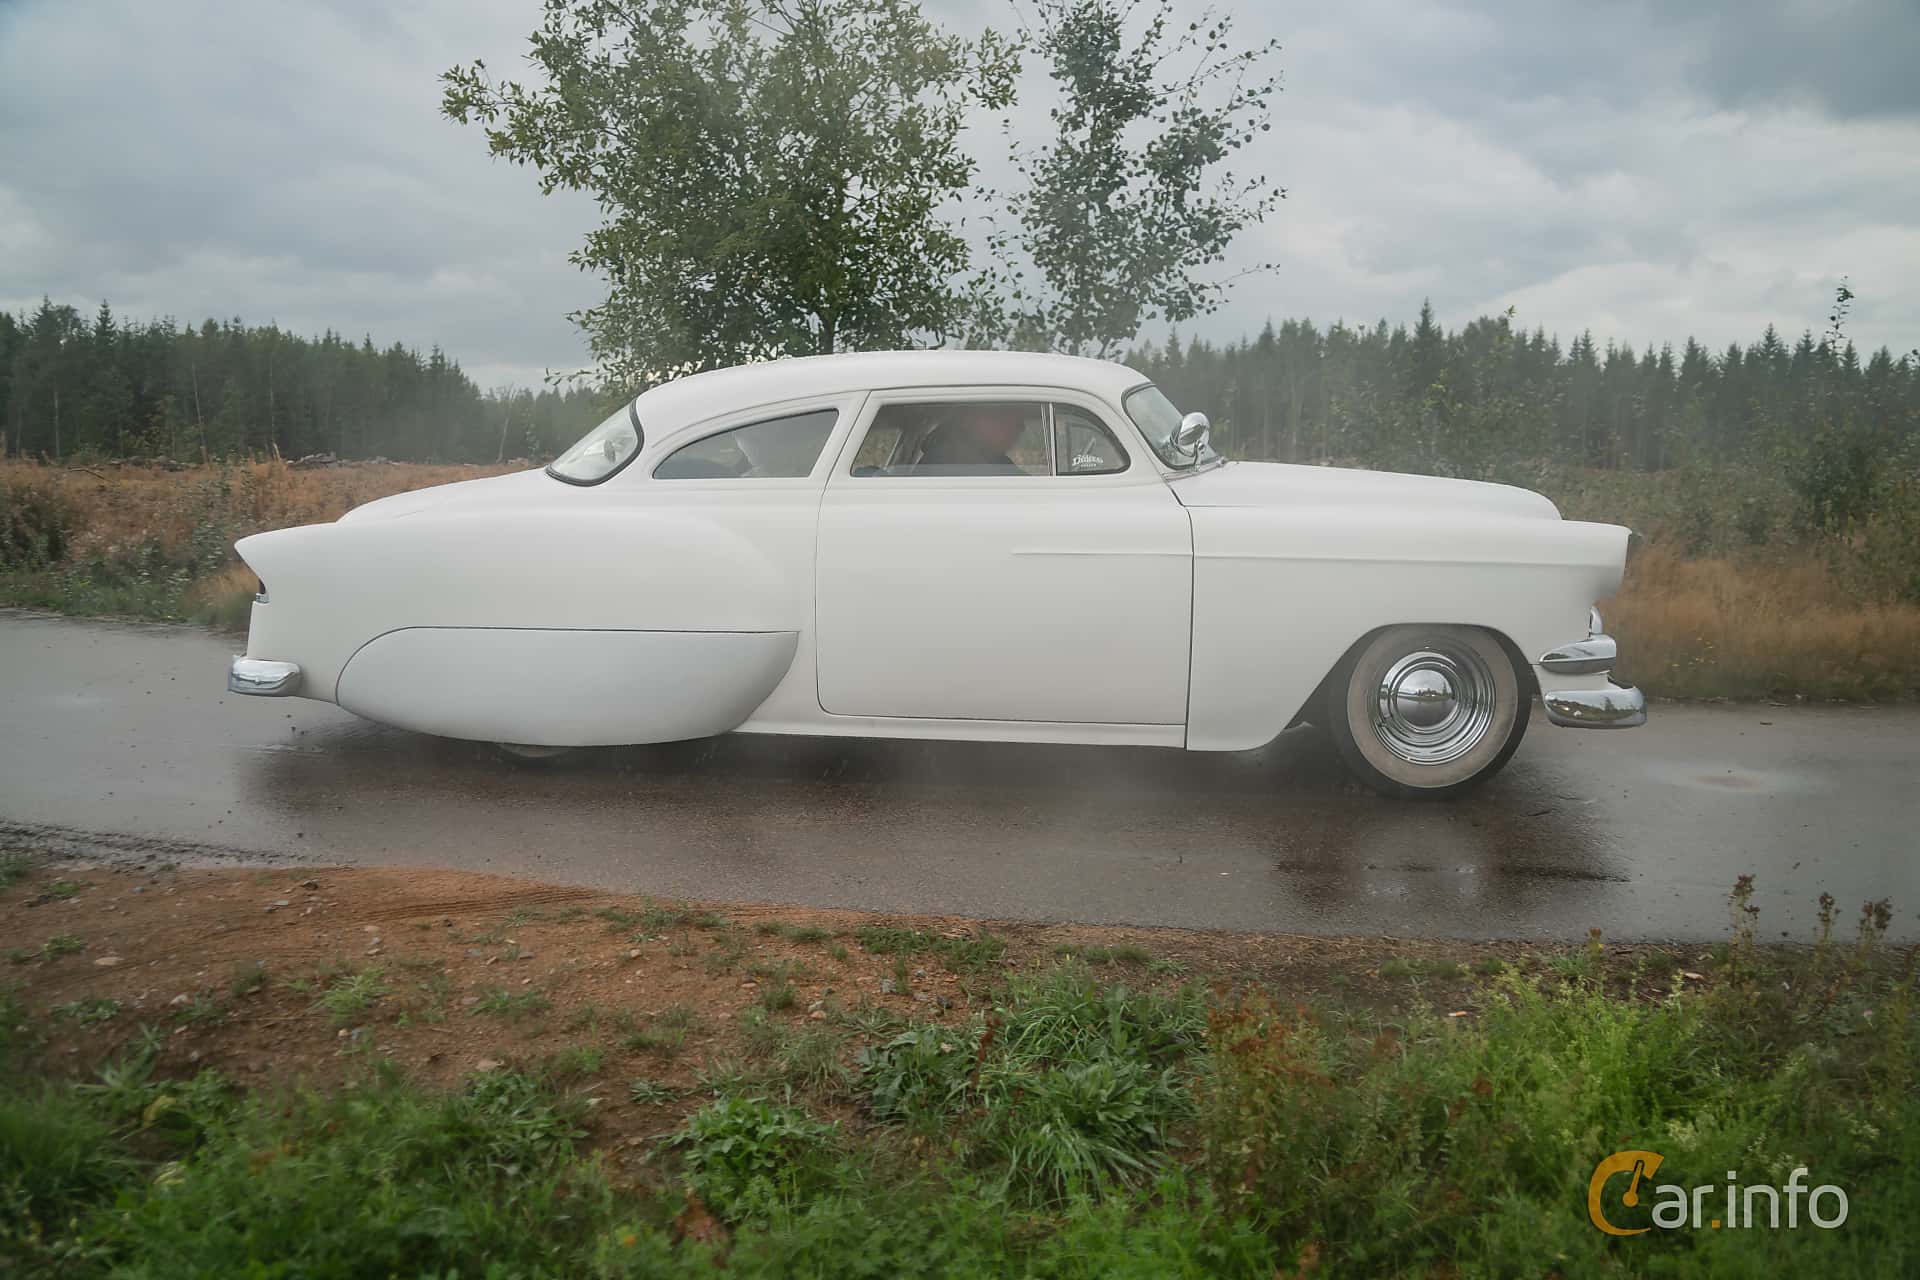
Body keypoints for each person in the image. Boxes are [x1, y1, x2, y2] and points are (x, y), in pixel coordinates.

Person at [914, 405, 1028, 475]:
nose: (1020, 429)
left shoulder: (995, 459)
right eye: (1006, 422)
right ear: (972, 421)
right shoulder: (943, 461)